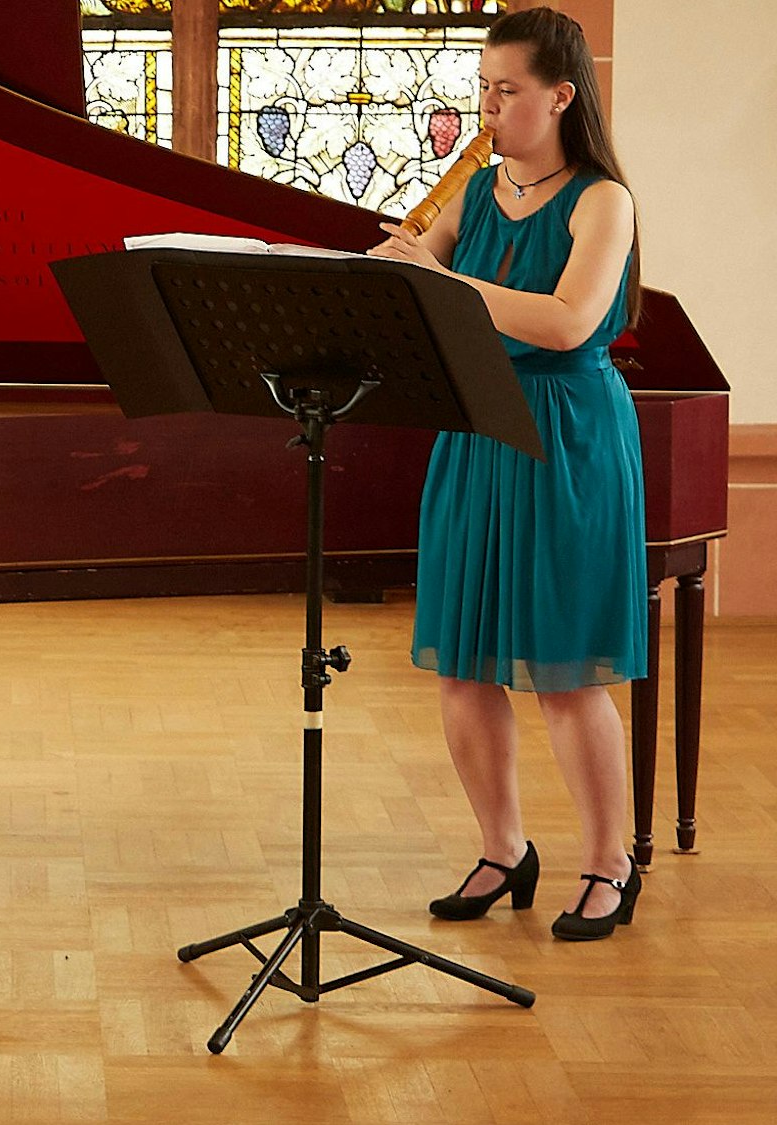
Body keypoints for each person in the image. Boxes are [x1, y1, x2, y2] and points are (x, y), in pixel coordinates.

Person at [370, 7, 645, 942]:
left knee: (564, 668)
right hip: (476, 427)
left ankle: (612, 863)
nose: (486, 107)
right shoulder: (471, 193)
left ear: (561, 95)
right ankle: (503, 847)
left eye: (506, 90)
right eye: (483, 88)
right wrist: (389, 276)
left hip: (566, 434)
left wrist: (443, 283)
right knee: (463, 660)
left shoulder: (603, 198)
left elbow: (569, 322)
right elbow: (413, 294)